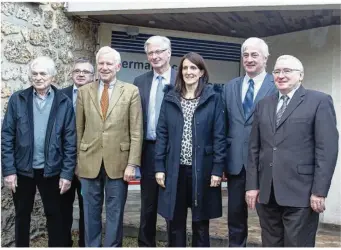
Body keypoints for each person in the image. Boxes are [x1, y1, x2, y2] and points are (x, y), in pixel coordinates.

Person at [246, 55, 339, 247]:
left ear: (301, 76)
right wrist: (252, 186)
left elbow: (326, 149)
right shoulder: (264, 104)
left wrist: (319, 191)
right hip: (267, 193)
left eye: (287, 71)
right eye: (277, 71)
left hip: (302, 194)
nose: (281, 75)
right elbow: (254, 148)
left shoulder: (319, 101)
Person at [1, 56, 76, 247]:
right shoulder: (18, 99)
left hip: (52, 170)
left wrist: (67, 174)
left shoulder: (63, 102)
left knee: (55, 216)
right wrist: (9, 171)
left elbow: (70, 141)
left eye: (43, 73)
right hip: (22, 170)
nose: (38, 77)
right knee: (21, 216)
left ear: (52, 76)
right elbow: (7, 136)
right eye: (34, 73)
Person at [155, 52, 226, 247]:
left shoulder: (213, 98)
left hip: (202, 171)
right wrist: (159, 167)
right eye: (185, 68)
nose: (188, 72)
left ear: (201, 72)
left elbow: (219, 136)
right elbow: (162, 135)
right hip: (175, 170)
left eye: (193, 68)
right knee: (174, 222)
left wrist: (217, 169)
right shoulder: (170, 97)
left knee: (200, 224)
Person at [76, 46, 143, 247]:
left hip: (119, 163)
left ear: (118, 66)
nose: (104, 67)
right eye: (101, 63)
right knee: (90, 213)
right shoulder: (84, 91)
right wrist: (78, 162)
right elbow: (79, 129)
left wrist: (132, 164)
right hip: (89, 162)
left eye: (109, 63)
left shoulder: (131, 91)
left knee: (115, 213)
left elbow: (136, 131)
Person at [222, 37, 277, 247]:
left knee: (269, 220)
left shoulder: (276, 85)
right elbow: (223, 125)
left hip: (266, 165)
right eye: (245, 55)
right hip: (236, 163)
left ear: (265, 58)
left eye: (254, 55)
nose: (249, 59)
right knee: (235, 219)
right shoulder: (230, 87)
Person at [133, 35, 177, 247]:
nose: (155, 56)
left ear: (169, 53)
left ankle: (173, 244)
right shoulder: (140, 81)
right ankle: (146, 244)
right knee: (148, 204)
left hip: (175, 151)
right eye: (151, 53)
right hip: (149, 149)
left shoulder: (182, 79)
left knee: (173, 203)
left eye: (159, 51)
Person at [60, 58, 95, 247]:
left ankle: (84, 244)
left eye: (86, 72)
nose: (81, 74)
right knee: (63, 208)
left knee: (87, 208)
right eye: (77, 71)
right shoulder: (60, 95)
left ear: (93, 76)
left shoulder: (99, 95)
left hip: (88, 163)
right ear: (71, 74)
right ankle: (64, 243)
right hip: (63, 163)